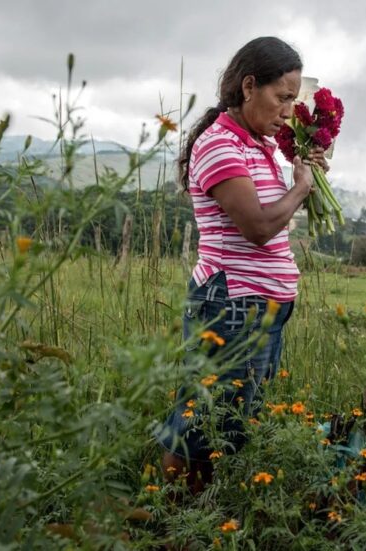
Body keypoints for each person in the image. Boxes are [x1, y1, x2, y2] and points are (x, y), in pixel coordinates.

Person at [155, 36, 329, 493]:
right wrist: (301, 189)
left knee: (231, 418)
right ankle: (167, 515)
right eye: (283, 97)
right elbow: (256, 226)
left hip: (262, 306)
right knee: (202, 417)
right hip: (231, 304)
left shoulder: (262, 146)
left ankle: (203, 513)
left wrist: (305, 173)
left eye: (294, 99)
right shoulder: (219, 145)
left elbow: (278, 210)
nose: (289, 110)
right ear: (249, 86)